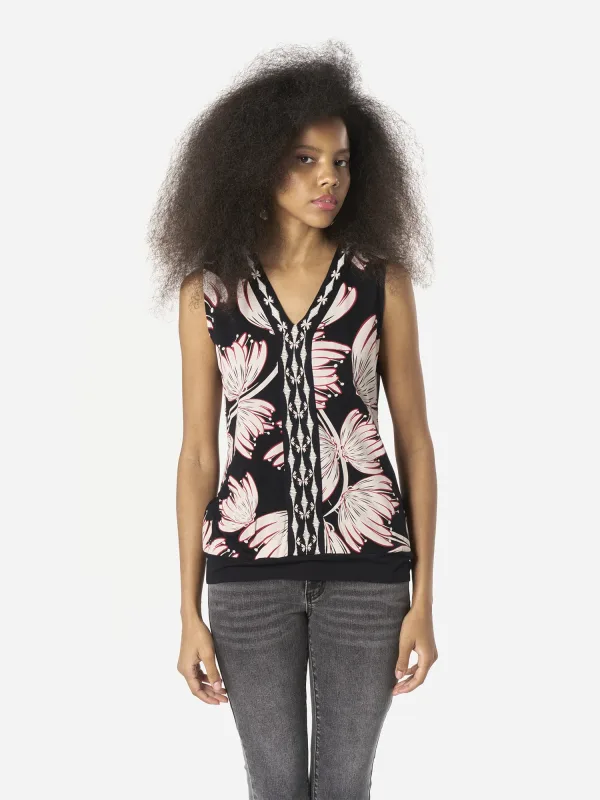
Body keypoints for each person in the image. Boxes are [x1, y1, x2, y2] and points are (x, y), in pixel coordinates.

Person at [147, 39, 438, 800]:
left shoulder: (381, 284)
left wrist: (424, 598)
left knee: (345, 786)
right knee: (273, 785)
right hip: (247, 576)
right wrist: (188, 611)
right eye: (305, 160)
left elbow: (414, 442)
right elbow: (197, 456)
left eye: (339, 161)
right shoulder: (209, 293)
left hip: (369, 575)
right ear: (256, 163)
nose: (327, 178)